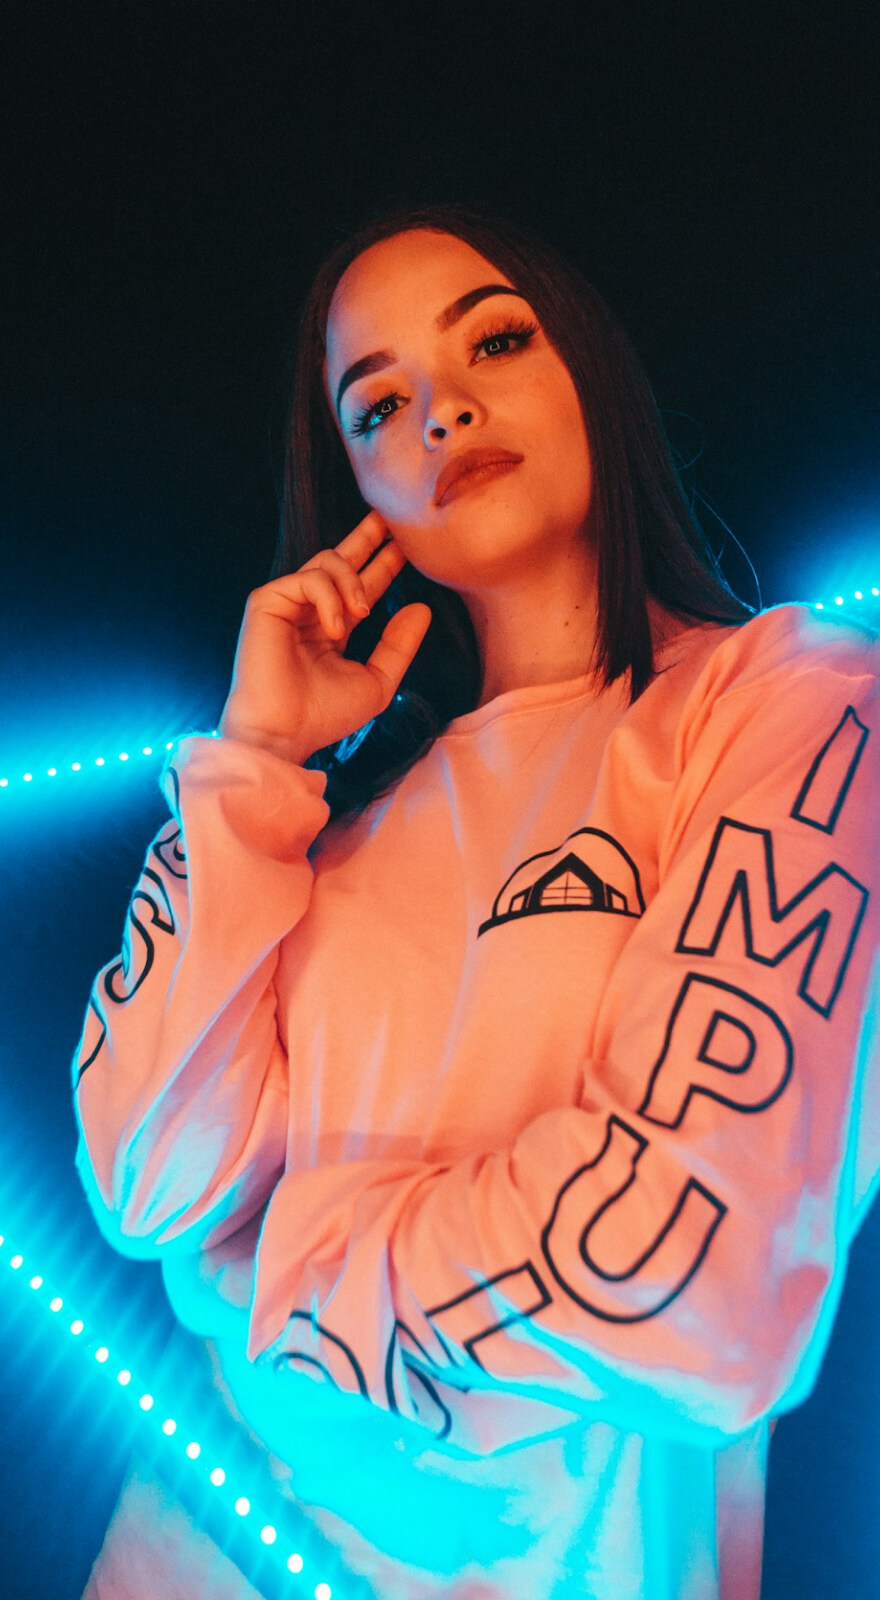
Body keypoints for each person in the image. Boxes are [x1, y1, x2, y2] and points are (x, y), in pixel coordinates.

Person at [73, 202, 879, 1600]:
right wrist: (256, 766)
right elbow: (147, 1186)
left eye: (493, 341)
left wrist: (260, 1285)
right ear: (355, 492)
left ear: (589, 365)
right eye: (377, 405)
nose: (439, 414)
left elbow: (686, 1276)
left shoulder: (789, 708)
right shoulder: (313, 834)